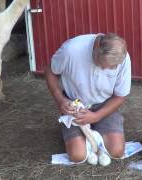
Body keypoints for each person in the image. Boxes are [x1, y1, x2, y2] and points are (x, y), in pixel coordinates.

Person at [45, 33, 131, 162]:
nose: (103, 69)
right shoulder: (71, 50)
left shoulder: (122, 58)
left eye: (109, 68)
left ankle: (96, 129)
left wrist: (97, 116)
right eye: (101, 64)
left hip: (104, 104)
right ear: (96, 47)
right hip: (76, 105)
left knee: (117, 152)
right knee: (78, 156)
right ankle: (75, 131)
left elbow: (119, 96)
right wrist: (61, 100)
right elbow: (50, 72)